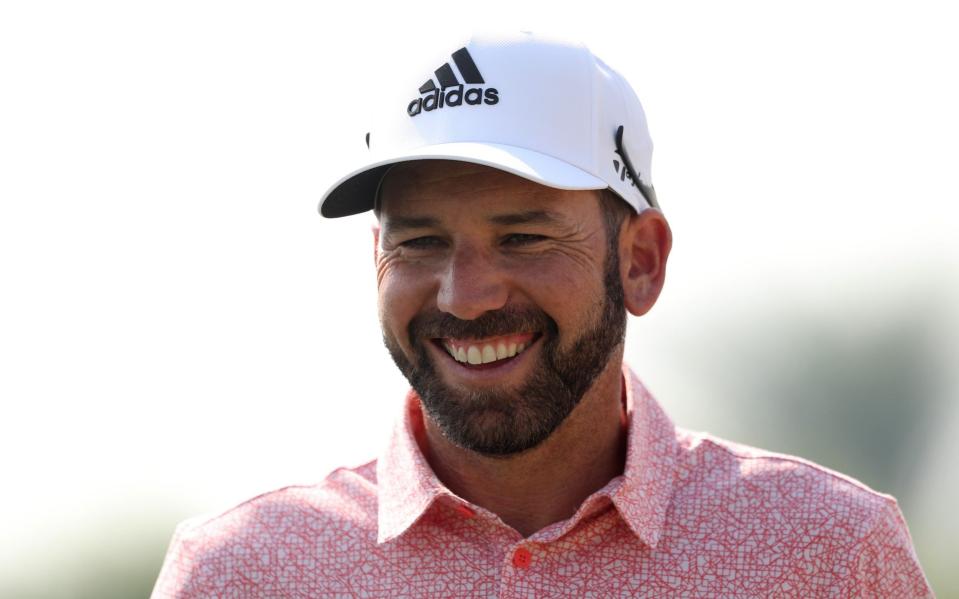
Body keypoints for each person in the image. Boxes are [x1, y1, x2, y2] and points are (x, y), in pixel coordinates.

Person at [151, 31, 933, 598]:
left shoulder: (824, 552)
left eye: (521, 237)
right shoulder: (243, 573)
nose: (465, 295)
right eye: (420, 242)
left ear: (640, 260)